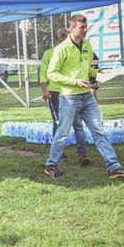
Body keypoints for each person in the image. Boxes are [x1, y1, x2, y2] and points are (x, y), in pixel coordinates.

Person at [44, 15, 124, 179]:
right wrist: (75, 82)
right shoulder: (61, 49)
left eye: (86, 27)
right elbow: (52, 74)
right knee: (62, 133)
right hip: (69, 98)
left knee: (99, 131)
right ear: (71, 28)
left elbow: (88, 69)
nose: (85, 30)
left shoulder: (87, 45)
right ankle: (51, 165)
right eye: (81, 28)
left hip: (87, 96)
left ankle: (113, 167)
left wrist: (99, 72)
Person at [40, 27, 89, 165]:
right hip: (55, 93)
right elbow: (44, 73)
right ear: (58, 39)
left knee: (78, 124)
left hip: (72, 93)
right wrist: (45, 90)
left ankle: (82, 155)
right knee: (59, 124)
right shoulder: (49, 53)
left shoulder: (74, 50)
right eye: (64, 39)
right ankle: (58, 154)